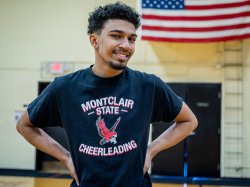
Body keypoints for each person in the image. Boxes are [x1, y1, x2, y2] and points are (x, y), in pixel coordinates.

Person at [16, 2, 198, 187]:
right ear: (94, 40)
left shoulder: (148, 85)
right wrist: (66, 157)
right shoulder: (65, 87)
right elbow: (24, 125)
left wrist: (151, 151)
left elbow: (189, 120)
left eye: (132, 38)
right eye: (116, 36)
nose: (126, 45)